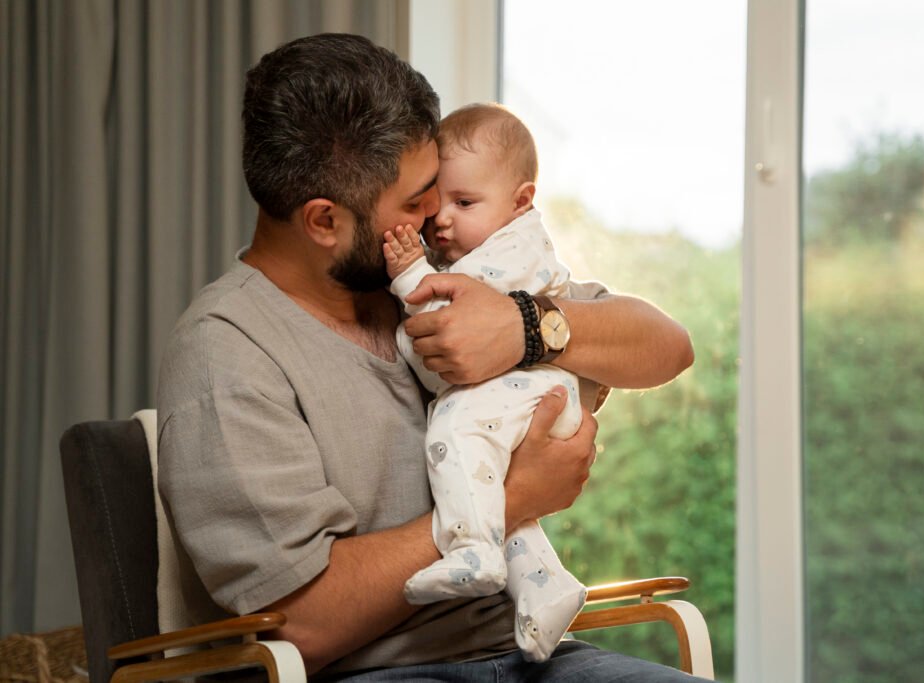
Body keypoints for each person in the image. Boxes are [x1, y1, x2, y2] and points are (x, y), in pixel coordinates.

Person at [157, 33, 700, 681]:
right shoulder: (226, 352)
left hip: (530, 653)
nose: (438, 216)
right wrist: (510, 496)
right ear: (325, 221)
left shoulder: (449, 271)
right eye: (416, 203)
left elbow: (668, 347)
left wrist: (529, 327)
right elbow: (299, 620)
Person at [383, 103, 595, 663]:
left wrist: (411, 274)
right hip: (525, 396)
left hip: (533, 398)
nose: (442, 220)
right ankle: (545, 586)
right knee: (501, 501)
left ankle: (473, 549)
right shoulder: (492, 244)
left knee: (451, 430)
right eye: (437, 203)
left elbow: (455, 304)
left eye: (464, 203)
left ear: (521, 201)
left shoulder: (516, 248)